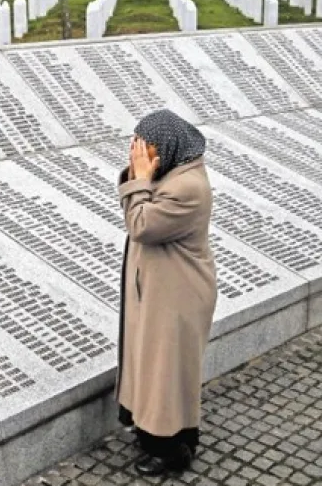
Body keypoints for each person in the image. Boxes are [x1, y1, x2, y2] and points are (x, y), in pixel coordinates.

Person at [115, 109, 218, 477]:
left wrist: (140, 179)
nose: (142, 157)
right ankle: (161, 434)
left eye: (149, 150)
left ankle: (171, 450)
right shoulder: (174, 171)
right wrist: (139, 176)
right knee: (156, 367)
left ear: (171, 147)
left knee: (167, 372)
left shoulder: (186, 188)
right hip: (161, 291)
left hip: (179, 296)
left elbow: (141, 224)